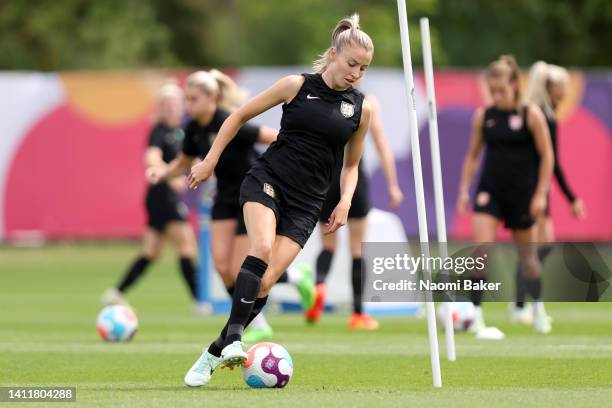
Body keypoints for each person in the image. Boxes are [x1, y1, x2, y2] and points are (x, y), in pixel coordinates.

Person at [182, 14, 374, 387]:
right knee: (262, 247)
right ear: (334, 54)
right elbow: (238, 115)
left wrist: (346, 201)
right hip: (267, 181)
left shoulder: (360, 109)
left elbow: (352, 165)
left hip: (308, 203)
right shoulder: (296, 85)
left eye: (364, 68)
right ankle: (236, 338)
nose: (356, 73)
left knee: (266, 282)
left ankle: (213, 352)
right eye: (352, 64)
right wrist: (209, 161)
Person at [456, 55, 554, 336]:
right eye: (492, 90)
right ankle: (475, 315)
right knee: (480, 253)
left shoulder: (530, 115)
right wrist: (465, 188)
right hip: (490, 192)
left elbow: (547, 155)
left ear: (515, 84)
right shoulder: (484, 117)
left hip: (523, 195)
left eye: (502, 90)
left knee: (528, 261)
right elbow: (473, 155)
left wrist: (540, 195)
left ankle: (537, 308)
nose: (497, 96)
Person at [304, 94, 404, 330]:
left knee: (328, 246)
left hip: (326, 178)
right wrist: (392, 184)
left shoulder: (319, 97)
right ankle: (358, 314)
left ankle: (318, 285)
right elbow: (380, 143)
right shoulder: (366, 103)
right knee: (357, 248)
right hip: (353, 178)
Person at [102, 80, 198, 306]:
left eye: (174, 103)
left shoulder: (183, 130)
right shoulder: (159, 131)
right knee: (186, 245)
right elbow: (151, 158)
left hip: (158, 199)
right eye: (165, 103)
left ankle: (117, 292)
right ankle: (199, 300)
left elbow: (191, 158)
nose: (170, 108)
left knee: (151, 251)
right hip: (163, 196)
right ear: (160, 107)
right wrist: (167, 174)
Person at [510, 61, 587, 324]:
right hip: (533, 189)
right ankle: (524, 305)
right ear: (550, 86)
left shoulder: (541, 112)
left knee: (538, 247)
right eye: (562, 84)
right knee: (534, 249)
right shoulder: (542, 115)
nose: (566, 89)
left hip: (533, 186)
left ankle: (522, 302)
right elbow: (552, 163)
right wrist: (572, 198)